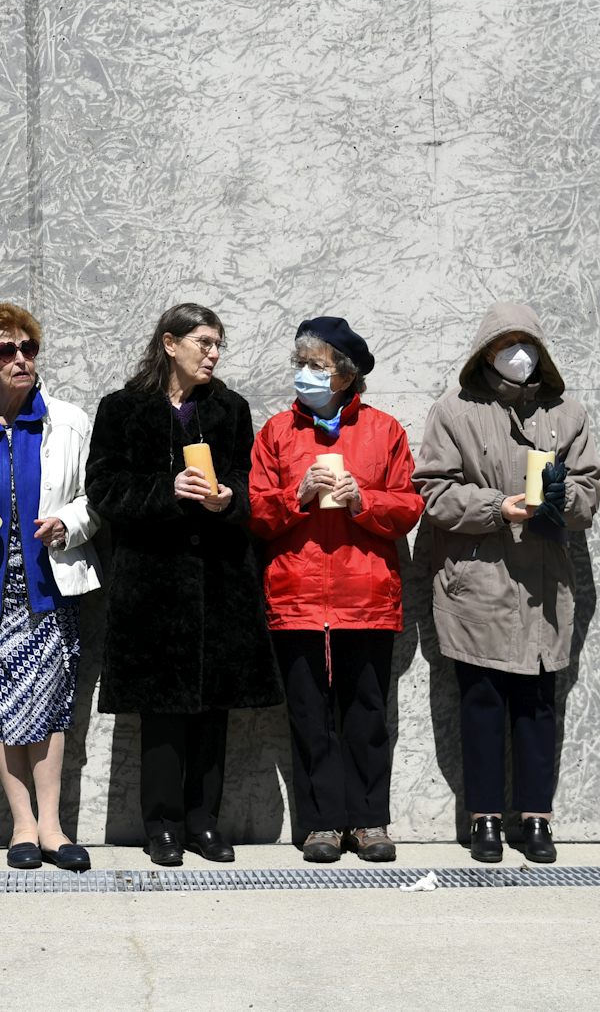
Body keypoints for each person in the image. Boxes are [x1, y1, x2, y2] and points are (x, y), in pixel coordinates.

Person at [86, 303, 282, 866]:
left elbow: (249, 482)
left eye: (219, 344)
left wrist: (227, 500)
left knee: (213, 712)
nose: (214, 354)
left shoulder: (230, 409)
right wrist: (166, 492)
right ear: (170, 344)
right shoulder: (122, 409)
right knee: (162, 715)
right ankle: (163, 827)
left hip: (220, 583)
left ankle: (204, 823)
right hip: (152, 588)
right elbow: (103, 488)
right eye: (203, 342)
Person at [415, 302, 600, 864]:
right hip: (477, 583)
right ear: (486, 349)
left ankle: (537, 818)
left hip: (544, 584)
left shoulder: (565, 411)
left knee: (538, 704)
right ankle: (485, 820)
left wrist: (556, 498)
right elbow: (434, 491)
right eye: (506, 342)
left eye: (528, 343)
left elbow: (590, 486)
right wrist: (500, 507)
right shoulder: (454, 410)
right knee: (480, 701)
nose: (519, 354)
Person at [248, 317, 422, 863]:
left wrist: (361, 499)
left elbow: (409, 506)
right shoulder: (277, 431)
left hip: (365, 595)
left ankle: (369, 821)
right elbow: (255, 509)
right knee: (308, 715)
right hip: (295, 596)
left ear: (345, 376)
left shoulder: (385, 430)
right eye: (300, 365)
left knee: (367, 714)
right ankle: (321, 823)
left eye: (316, 367)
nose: (304, 375)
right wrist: (294, 495)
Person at [0, 303, 100, 871]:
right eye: (7, 351)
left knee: (50, 709)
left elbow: (91, 502)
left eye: (29, 348)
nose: (21, 359)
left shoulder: (70, 422)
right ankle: (21, 825)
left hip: (46, 589)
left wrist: (68, 525)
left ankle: (53, 827)